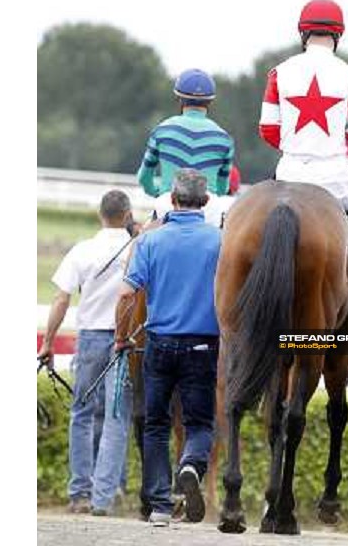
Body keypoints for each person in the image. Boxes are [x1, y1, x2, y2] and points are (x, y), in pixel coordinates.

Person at [115, 169, 221, 527]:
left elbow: (127, 295)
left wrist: (120, 338)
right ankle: (190, 464)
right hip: (203, 345)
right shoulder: (220, 241)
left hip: (158, 344)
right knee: (200, 423)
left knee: (156, 424)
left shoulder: (148, 241)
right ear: (206, 203)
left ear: (172, 200)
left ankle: (160, 506)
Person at [258, 0, 348, 268]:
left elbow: (267, 130)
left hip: (288, 172)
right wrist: (340, 159)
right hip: (333, 178)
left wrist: (295, 147)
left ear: (303, 33)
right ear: (338, 34)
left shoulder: (278, 73)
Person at [38, 190, 136, 515]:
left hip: (91, 337)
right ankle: (104, 498)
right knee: (116, 416)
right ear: (127, 215)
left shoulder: (83, 250)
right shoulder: (138, 248)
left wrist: (48, 342)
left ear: (100, 215)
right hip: (125, 342)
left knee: (81, 414)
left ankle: (79, 493)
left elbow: (61, 299)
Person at [136, 68, 235, 226]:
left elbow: (144, 177)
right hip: (209, 210)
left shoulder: (162, 130)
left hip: (168, 204)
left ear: (179, 99)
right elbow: (223, 188)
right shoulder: (224, 138)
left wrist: (158, 192)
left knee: (141, 246)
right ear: (210, 101)